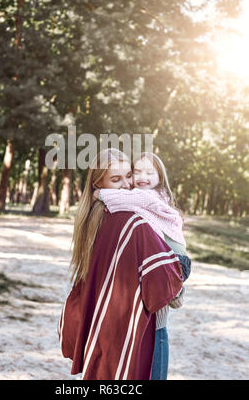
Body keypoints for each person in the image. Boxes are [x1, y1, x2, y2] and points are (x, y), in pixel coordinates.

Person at [58, 148, 183, 380]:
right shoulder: (133, 221)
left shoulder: (95, 219)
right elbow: (165, 284)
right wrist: (181, 274)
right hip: (146, 330)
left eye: (129, 175)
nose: (127, 185)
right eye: (116, 179)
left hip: (107, 330)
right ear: (99, 183)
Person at [92, 152, 191, 380]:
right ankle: (174, 291)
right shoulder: (134, 207)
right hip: (166, 274)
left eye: (149, 172)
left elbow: (126, 200)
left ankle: (175, 291)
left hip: (176, 261)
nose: (140, 178)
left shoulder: (147, 197)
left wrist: (99, 194)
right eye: (136, 172)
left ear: (160, 177)